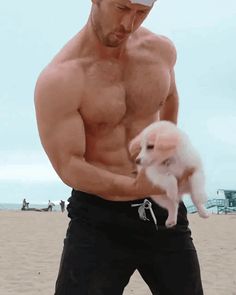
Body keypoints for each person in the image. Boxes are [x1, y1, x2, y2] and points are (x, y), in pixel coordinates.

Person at [34, 0, 204, 294]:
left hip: (164, 214)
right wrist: (136, 187)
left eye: (141, 12)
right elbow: (69, 165)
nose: (129, 23)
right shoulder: (61, 79)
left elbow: (170, 97)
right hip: (98, 220)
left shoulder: (161, 52)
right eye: (122, 8)